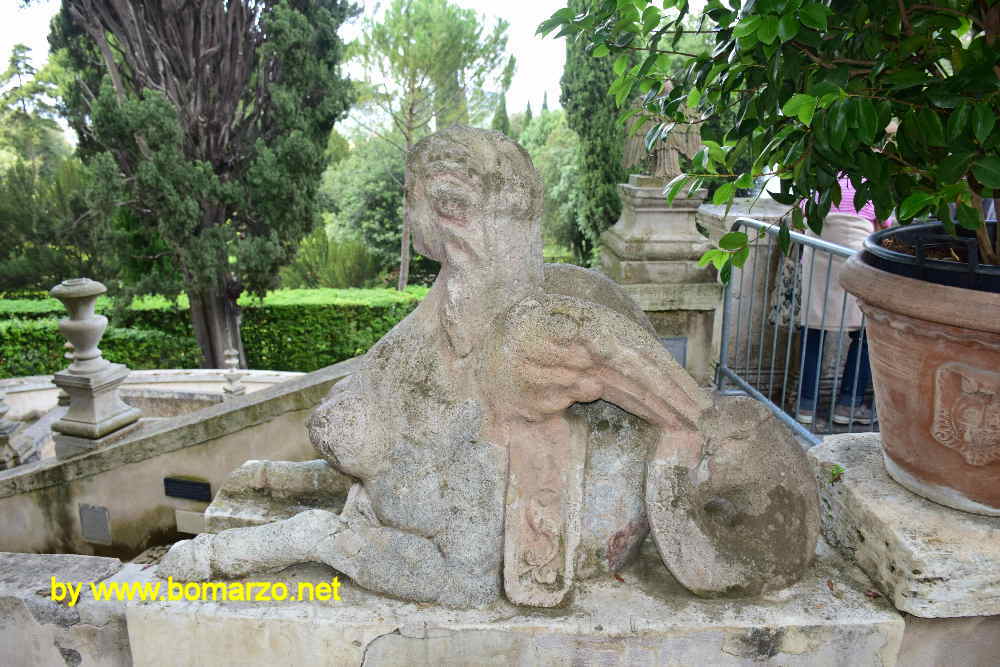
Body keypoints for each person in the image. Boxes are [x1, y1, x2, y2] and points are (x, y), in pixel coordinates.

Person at [796, 176, 882, 426]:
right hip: (856, 261)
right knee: (865, 333)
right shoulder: (873, 185)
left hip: (817, 257)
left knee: (813, 330)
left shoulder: (819, 178)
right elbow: (883, 225)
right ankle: (848, 404)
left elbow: (801, 213)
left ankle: (805, 406)